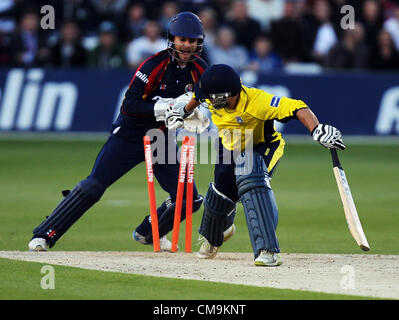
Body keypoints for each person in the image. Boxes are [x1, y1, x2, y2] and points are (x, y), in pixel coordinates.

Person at [28, 12, 208, 252]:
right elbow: (130, 105)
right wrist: (164, 109)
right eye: (182, 39)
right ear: (172, 39)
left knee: (189, 199)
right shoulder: (154, 64)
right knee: (94, 186)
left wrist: (198, 113)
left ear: (199, 42)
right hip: (130, 135)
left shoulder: (200, 70)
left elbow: (209, 98)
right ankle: (44, 235)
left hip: (161, 139)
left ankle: (148, 232)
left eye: (192, 40)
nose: (187, 45)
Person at [164, 64, 345, 266]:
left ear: (227, 95)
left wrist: (316, 129)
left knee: (251, 178)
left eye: (213, 98)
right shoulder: (213, 96)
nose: (209, 102)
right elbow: (199, 95)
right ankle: (216, 236)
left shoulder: (258, 101)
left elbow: (298, 107)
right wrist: (184, 111)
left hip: (262, 146)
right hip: (229, 145)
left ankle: (267, 250)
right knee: (220, 195)